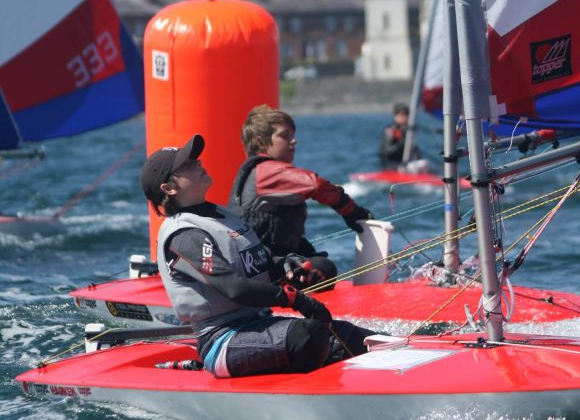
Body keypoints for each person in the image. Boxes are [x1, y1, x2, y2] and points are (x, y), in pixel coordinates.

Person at [140, 133, 376, 379]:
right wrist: (297, 300)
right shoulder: (185, 235)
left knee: (359, 338)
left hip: (259, 323)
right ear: (169, 188)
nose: (198, 163)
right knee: (308, 336)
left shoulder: (220, 215)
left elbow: (260, 262)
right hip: (223, 339)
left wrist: (286, 266)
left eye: (195, 159)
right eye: (186, 165)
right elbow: (235, 288)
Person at [229, 105, 372, 287]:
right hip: (261, 270)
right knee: (325, 268)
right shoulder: (266, 171)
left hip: (264, 262)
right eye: (284, 136)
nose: (294, 141)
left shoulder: (262, 171)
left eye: (293, 135)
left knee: (314, 257)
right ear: (261, 141)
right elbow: (315, 185)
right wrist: (351, 211)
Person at [377, 102, 421, 168]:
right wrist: (401, 143)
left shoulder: (408, 131)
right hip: (391, 165)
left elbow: (414, 150)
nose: (404, 117)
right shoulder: (390, 131)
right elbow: (386, 152)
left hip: (405, 163)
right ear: (395, 116)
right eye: (401, 115)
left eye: (406, 114)